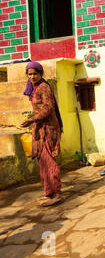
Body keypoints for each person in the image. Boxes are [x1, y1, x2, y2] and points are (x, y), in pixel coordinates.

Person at [20, 61, 63, 207]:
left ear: (41, 74)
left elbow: (48, 108)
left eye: (35, 73)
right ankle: (48, 192)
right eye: (30, 74)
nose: (32, 76)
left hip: (49, 128)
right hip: (40, 127)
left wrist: (31, 119)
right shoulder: (34, 88)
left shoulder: (43, 87)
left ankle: (56, 192)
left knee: (48, 160)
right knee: (42, 161)